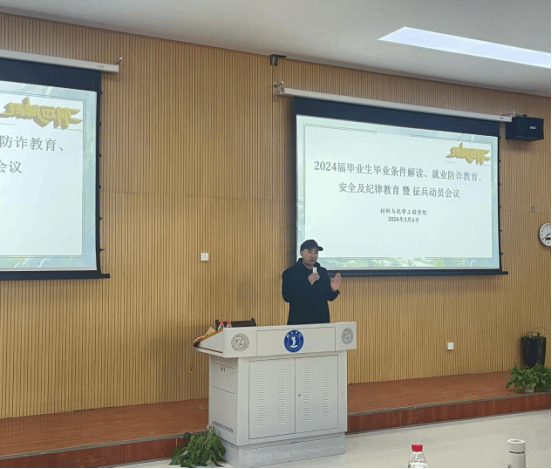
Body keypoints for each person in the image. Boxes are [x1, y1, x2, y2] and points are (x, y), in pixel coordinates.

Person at [282, 239, 342, 325]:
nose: (313, 256)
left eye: (316, 252)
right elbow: (287, 296)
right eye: (310, 252)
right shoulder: (290, 273)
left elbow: (329, 297)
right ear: (301, 253)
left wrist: (333, 289)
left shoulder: (322, 272)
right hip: (299, 322)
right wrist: (307, 283)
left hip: (322, 322)